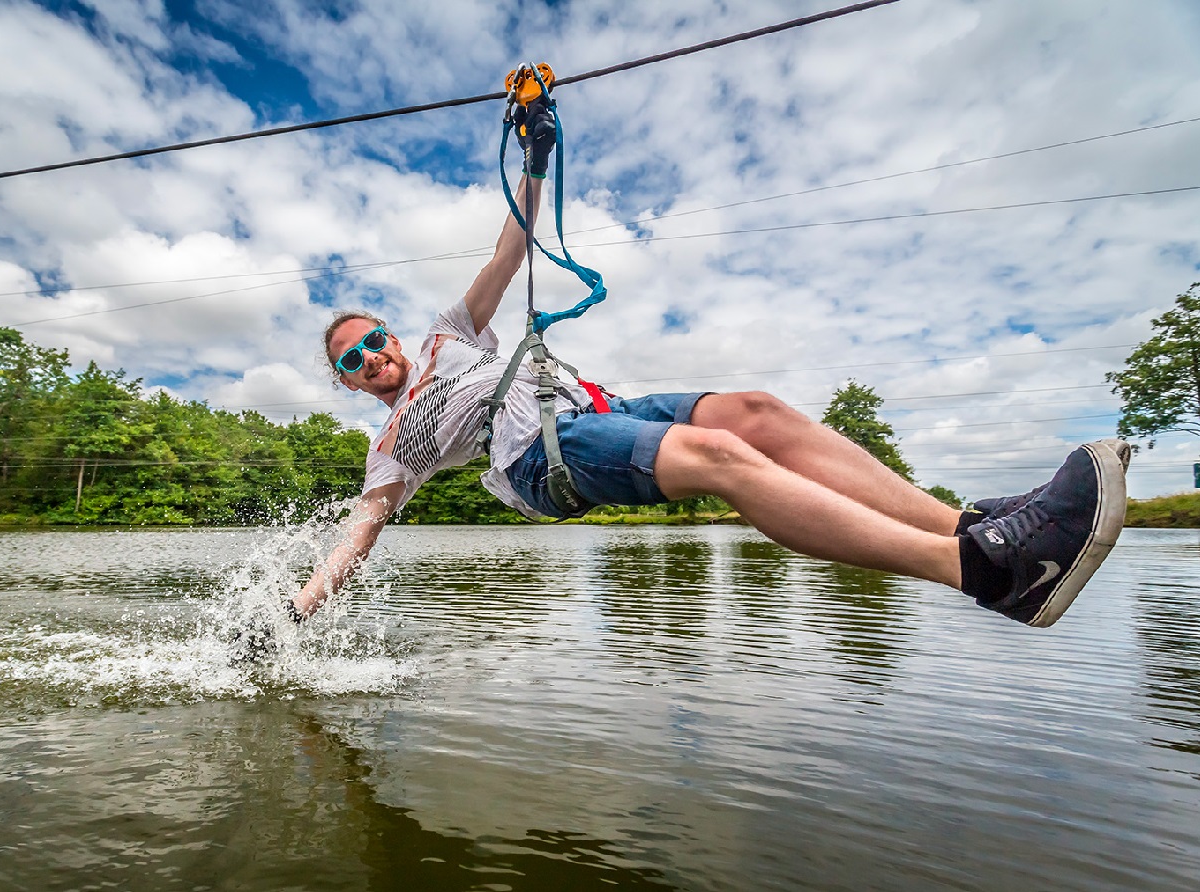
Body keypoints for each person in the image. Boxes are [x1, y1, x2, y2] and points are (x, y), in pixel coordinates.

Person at [257, 98, 1129, 650]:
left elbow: (509, 244)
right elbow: (356, 537)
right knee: (718, 457)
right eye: (352, 361)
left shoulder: (450, 335)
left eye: (372, 340)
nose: (371, 358)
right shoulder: (391, 448)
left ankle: (975, 527)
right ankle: (981, 575)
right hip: (536, 460)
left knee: (753, 410)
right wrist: (303, 603)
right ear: (347, 383)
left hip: (595, 405)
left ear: (393, 335)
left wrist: (533, 157)